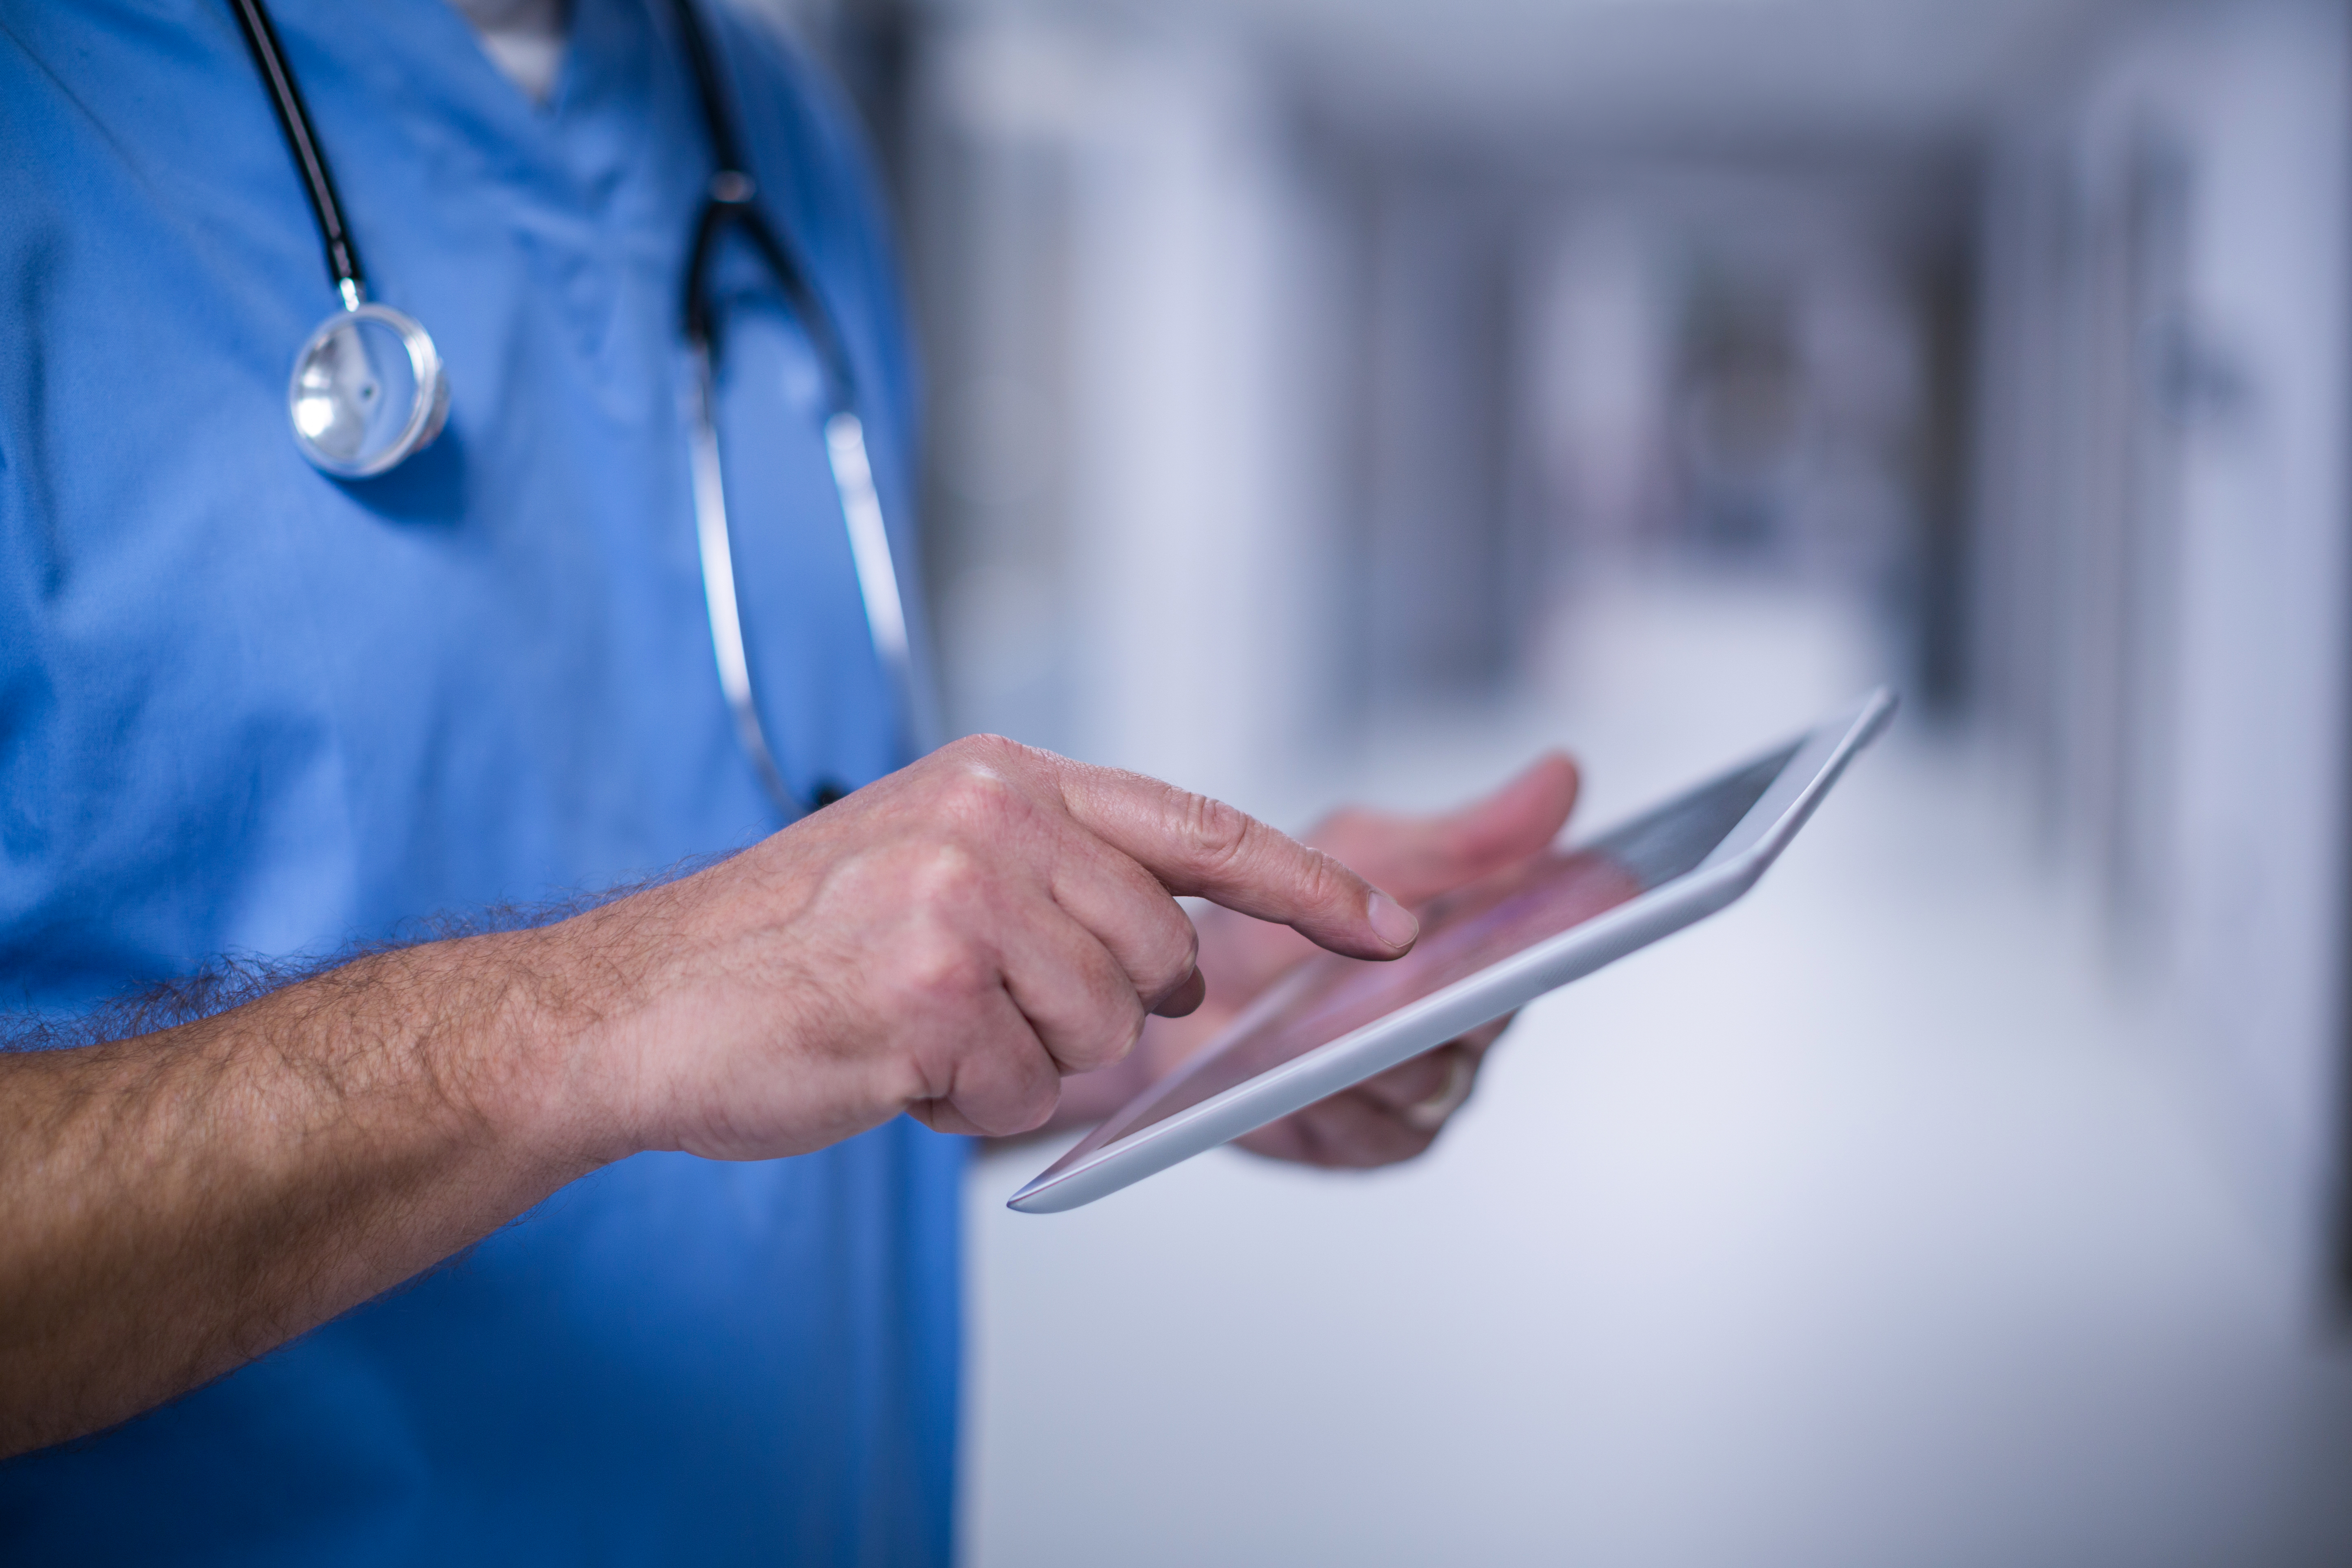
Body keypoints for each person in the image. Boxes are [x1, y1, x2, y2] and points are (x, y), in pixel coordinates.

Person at [0, 0, 1579, 1559]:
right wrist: (591, 1016)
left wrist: (1118, 997)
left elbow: (766, 1013)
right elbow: (663, 1008)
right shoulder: (50, 121)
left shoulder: (770, 125)